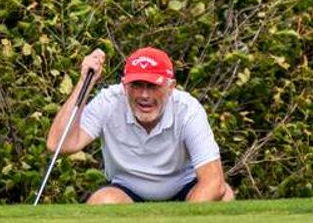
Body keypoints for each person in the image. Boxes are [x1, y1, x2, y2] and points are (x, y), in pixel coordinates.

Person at [45, 46, 234, 203]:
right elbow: (58, 144)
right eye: (136, 85)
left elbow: (213, 181)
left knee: (224, 195)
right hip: (126, 191)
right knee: (103, 201)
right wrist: (84, 82)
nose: (144, 95)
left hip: (183, 189)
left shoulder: (187, 109)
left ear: (170, 87)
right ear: (124, 85)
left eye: (152, 86)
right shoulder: (109, 101)